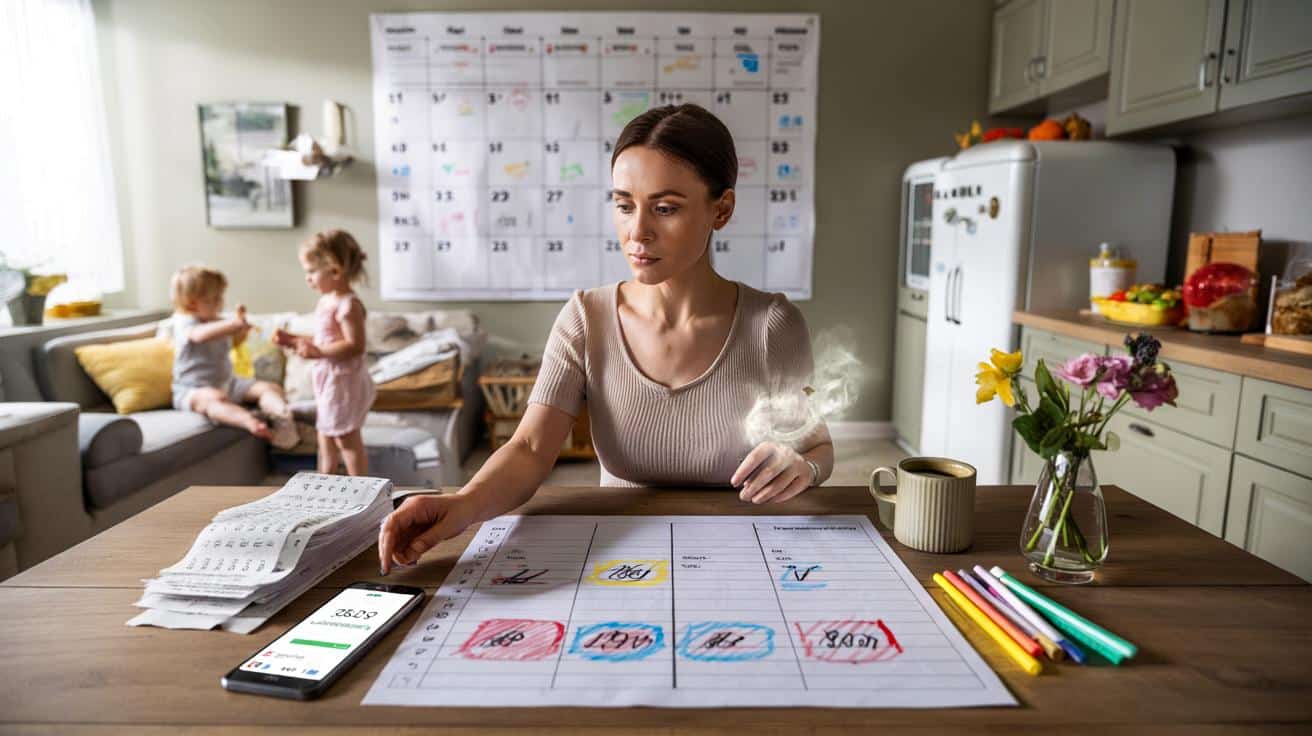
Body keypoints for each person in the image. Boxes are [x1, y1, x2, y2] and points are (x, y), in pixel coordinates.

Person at [379, 104, 833, 573]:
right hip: (617, 561)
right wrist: (464, 504)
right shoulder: (584, 318)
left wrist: (807, 466)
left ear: (722, 209)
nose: (638, 232)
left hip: (737, 558)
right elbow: (532, 450)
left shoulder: (772, 324)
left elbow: (817, 446)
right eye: (623, 205)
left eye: (665, 208)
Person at [273, 230, 375, 476]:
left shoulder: (348, 305)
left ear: (336, 270)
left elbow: (355, 345)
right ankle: (325, 489)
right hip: (328, 381)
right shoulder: (326, 301)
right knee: (325, 439)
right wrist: (294, 340)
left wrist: (317, 351)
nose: (307, 279)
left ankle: (362, 489)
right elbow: (324, 340)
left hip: (343, 382)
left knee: (346, 440)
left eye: (311, 271)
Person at [169, 265, 298, 448]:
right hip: (193, 389)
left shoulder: (218, 321)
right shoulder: (184, 322)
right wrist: (231, 325)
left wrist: (241, 331)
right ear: (192, 304)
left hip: (228, 382)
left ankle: (283, 420)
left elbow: (233, 344)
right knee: (214, 400)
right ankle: (251, 422)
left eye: (220, 297)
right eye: (213, 299)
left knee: (269, 387)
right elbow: (199, 335)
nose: (220, 303)